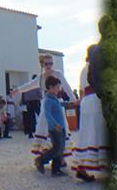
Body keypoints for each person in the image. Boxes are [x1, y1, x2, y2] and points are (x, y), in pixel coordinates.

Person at [14, 54, 74, 166]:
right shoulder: (40, 77)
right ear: (42, 64)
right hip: (46, 105)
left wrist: (74, 100)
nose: (49, 66)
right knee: (46, 130)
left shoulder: (58, 74)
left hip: (57, 105)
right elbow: (30, 85)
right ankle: (47, 157)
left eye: (51, 63)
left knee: (61, 131)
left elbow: (66, 86)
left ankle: (60, 158)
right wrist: (18, 90)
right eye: (46, 63)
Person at [69, 44, 108, 180]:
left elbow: (81, 90)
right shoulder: (96, 68)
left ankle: (82, 166)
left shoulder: (83, 69)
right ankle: (104, 165)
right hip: (95, 100)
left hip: (85, 102)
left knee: (86, 133)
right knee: (98, 131)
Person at [34, 76, 73, 176]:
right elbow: (48, 115)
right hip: (55, 129)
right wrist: (55, 125)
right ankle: (41, 159)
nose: (59, 89)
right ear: (50, 87)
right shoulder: (47, 100)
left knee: (60, 149)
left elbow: (61, 104)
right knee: (57, 148)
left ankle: (56, 169)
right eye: (57, 87)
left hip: (61, 128)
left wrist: (71, 103)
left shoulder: (54, 99)